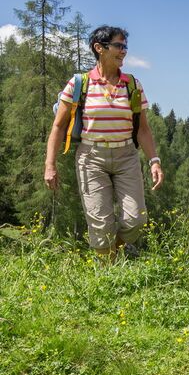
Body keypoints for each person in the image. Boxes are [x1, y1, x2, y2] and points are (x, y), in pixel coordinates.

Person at [44, 25, 163, 258]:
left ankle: (113, 252)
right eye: (118, 46)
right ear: (99, 48)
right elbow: (58, 126)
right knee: (100, 222)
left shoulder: (132, 85)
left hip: (126, 156)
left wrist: (154, 161)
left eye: (125, 47)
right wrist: (50, 164)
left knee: (136, 219)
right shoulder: (79, 83)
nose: (124, 51)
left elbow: (144, 130)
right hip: (91, 157)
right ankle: (108, 275)